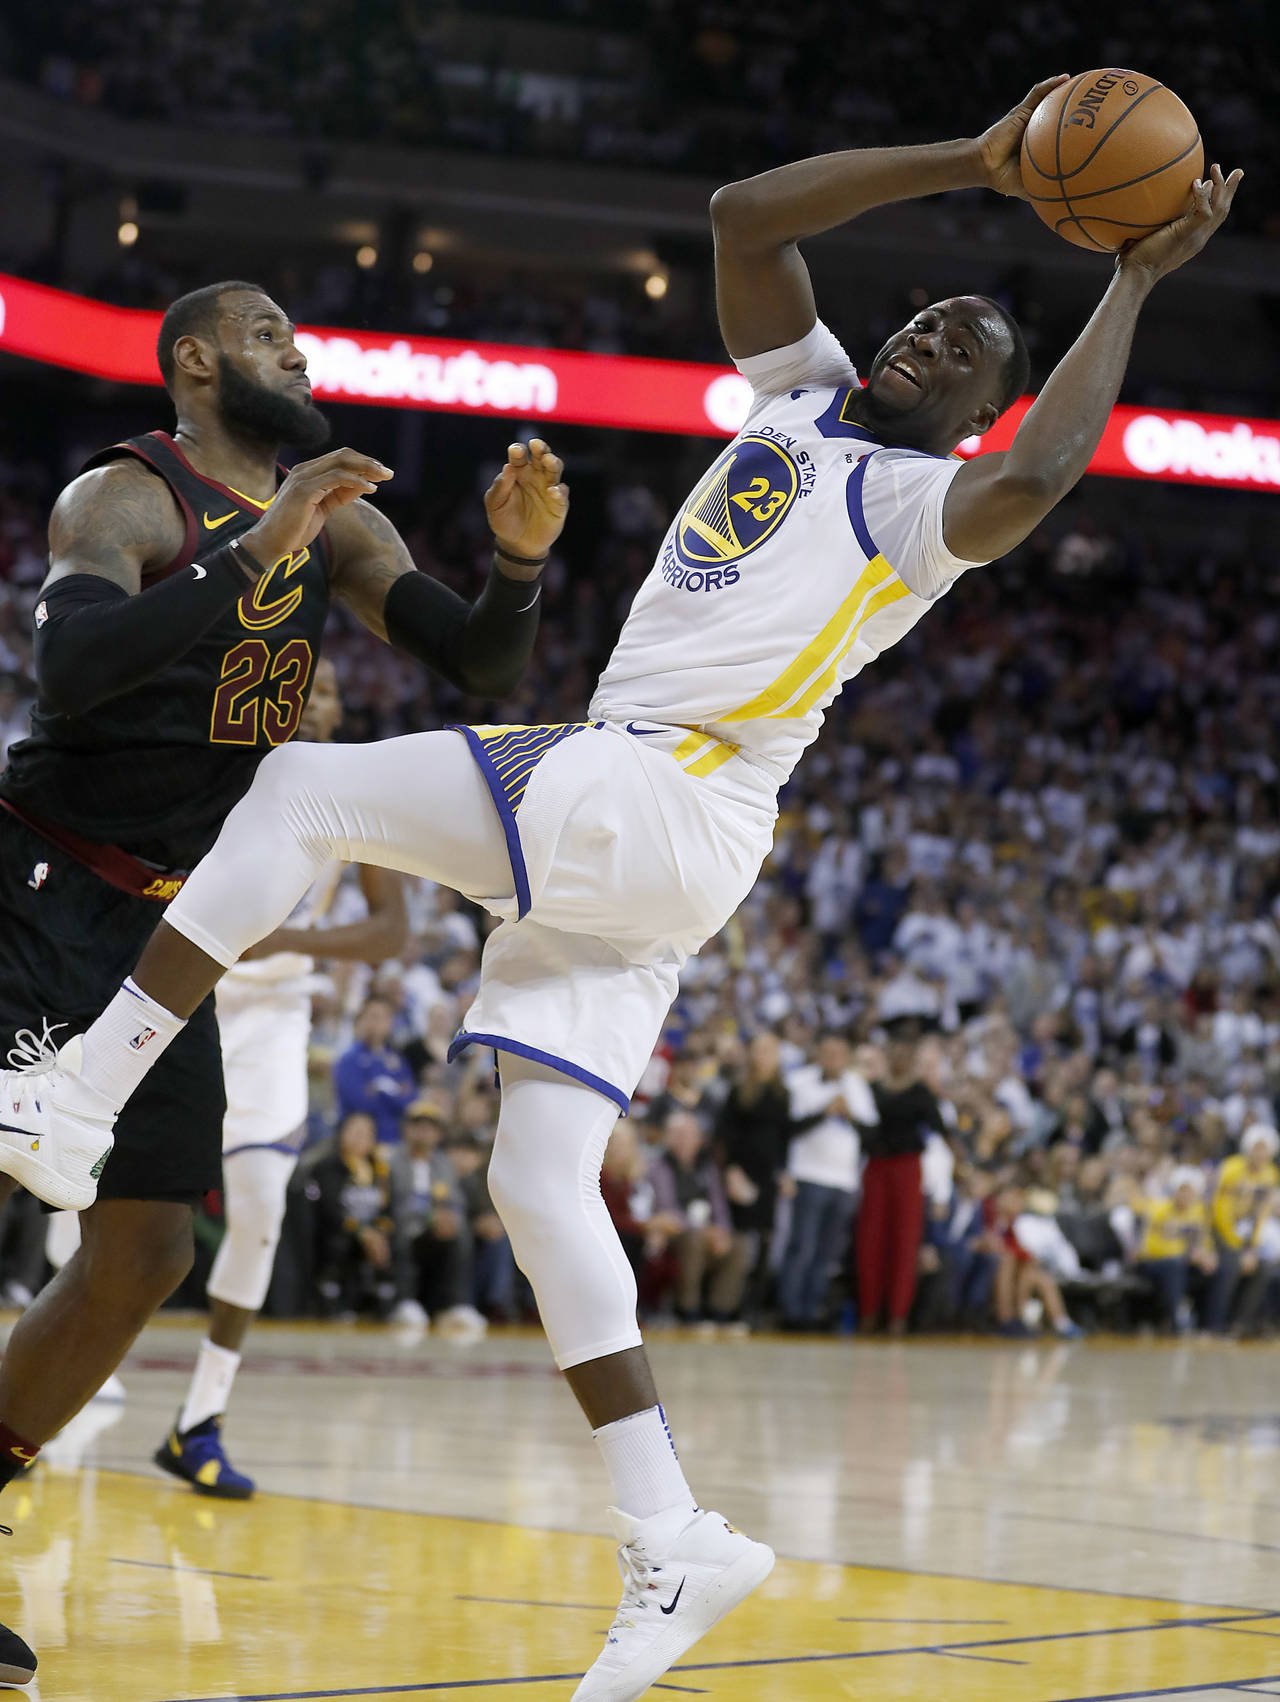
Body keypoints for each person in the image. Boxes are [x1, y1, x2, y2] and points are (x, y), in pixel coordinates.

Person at [0, 87, 1242, 1699]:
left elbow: (1044, 476)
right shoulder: (801, 398)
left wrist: (1131, 279)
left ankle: (80, 1094)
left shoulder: (918, 508)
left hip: (664, 786)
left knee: (304, 788)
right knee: (537, 1181)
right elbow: (743, 215)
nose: (930, 337)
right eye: (929, 316)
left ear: (977, 417)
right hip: (648, 835)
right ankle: (672, 1536)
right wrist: (974, 161)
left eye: (967, 354)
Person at [0, 277, 557, 1682]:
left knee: (147, 1250)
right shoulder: (126, 498)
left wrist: (517, 566)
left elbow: (478, 661)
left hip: (165, 924)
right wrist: (256, 549)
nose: (295, 358)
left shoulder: (341, 523)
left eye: (297, 342)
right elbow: (68, 670)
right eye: (266, 338)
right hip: (38, 878)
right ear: (194, 362)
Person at [155, 657, 408, 1498]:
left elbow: (390, 932)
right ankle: (47, 1387)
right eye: (301, 685)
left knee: (261, 1212)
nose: (312, 701)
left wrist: (290, 941)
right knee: (101, 1198)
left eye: (328, 690)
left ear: (341, 711)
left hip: (274, 1017)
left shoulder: (356, 794)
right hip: (189, 996)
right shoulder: (218, 770)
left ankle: (200, 1418)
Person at [858, 1015, 946, 1335]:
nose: (900, 1057)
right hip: (876, 1167)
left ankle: (897, 1314)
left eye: (906, 1053)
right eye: (895, 1051)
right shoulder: (870, 1089)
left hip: (908, 1168)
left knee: (905, 1241)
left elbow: (941, 1132)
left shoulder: (921, 1092)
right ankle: (868, 1311)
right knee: (869, 1240)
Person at [778, 1032, 872, 1330]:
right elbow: (787, 1128)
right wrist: (824, 1112)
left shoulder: (857, 1085)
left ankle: (813, 1311)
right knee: (802, 1247)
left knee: (828, 1252)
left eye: (839, 1054)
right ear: (819, 1054)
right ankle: (790, 1312)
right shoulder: (799, 1082)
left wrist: (849, 1114)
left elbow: (872, 1133)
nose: (834, 1059)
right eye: (828, 1053)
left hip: (844, 1181)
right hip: (808, 1175)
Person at [644, 1109, 752, 1328]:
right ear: (668, 1138)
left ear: (699, 1140)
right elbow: (665, 1206)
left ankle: (721, 1312)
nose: (684, 1141)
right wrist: (703, 1231)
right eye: (678, 1135)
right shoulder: (658, 1167)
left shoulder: (707, 1168)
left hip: (707, 1233)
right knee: (693, 1240)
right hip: (675, 1232)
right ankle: (688, 1311)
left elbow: (719, 1206)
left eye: (689, 1135)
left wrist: (721, 1232)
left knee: (740, 1243)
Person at [388, 1097, 486, 1338]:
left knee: (461, 1233)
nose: (423, 1131)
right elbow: (391, 1202)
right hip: (404, 1226)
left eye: (429, 1127)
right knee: (402, 1233)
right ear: (406, 1128)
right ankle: (405, 1302)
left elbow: (456, 1202)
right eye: (417, 1125)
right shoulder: (391, 1160)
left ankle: (458, 1304)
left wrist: (451, 1218)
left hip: (436, 1229)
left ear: (438, 1134)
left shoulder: (443, 1164)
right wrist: (431, 1217)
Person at [312, 1111, 396, 1317]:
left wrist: (380, 1232)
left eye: (367, 1132)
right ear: (342, 1134)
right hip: (339, 1230)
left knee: (397, 1241)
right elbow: (330, 1210)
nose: (360, 1137)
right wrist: (362, 1232)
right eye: (355, 1131)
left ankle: (392, 1304)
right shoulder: (328, 1166)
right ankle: (334, 1302)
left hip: (372, 1232)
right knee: (341, 1242)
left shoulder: (380, 1170)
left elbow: (387, 1208)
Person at [333, 996, 417, 1147]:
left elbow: (409, 1101)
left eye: (383, 1018)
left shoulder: (397, 1061)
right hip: (358, 1140)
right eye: (372, 1017)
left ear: (390, 1023)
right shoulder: (349, 1059)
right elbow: (357, 1102)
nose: (377, 1023)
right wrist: (394, 1092)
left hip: (395, 1139)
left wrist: (376, 1089)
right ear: (362, 1020)